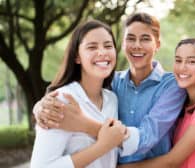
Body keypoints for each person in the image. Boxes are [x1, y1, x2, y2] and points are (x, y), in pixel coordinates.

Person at [33, 12, 186, 164]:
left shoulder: (171, 85)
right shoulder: (113, 85)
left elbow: (145, 139)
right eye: (130, 39)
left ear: (157, 45)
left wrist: (84, 124)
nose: (137, 45)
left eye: (145, 39)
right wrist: (40, 107)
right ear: (123, 45)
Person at [30, 20, 129, 168]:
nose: (102, 52)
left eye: (108, 46)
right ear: (77, 57)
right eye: (92, 47)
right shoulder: (62, 100)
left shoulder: (112, 99)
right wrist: (101, 147)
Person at [119, 38, 195, 168]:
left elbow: (172, 161)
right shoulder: (182, 106)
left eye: (191, 62)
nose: (182, 67)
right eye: (178, 60)